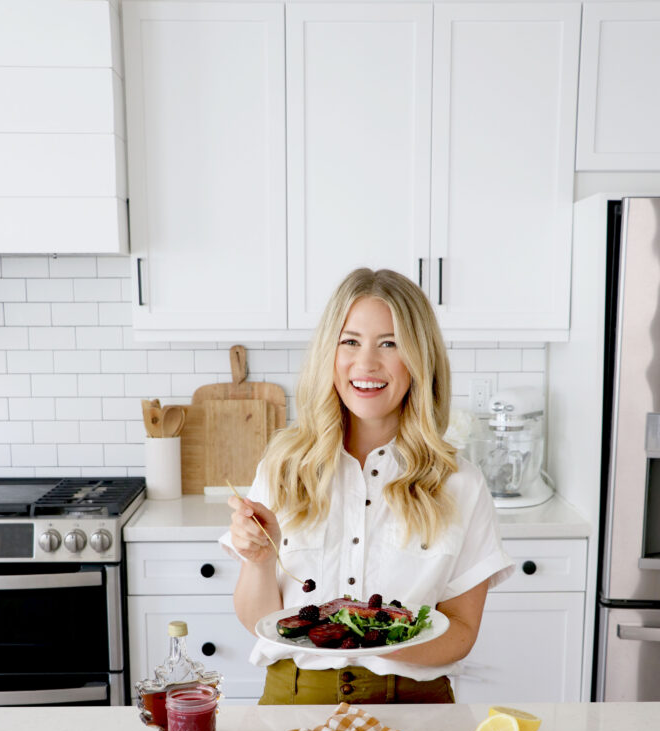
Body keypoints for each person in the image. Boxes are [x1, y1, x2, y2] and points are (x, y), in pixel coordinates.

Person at [220, 267, 514, 704]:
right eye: (350, 341)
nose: (367, 363)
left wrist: (372, 640)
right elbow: (259, 620)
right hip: (293, 702)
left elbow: (462, 632)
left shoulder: (460, 484)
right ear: (330, 352)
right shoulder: (283, 467)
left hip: (414, 706)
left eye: (390, 344)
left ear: (420, 358)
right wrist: (260, 560)